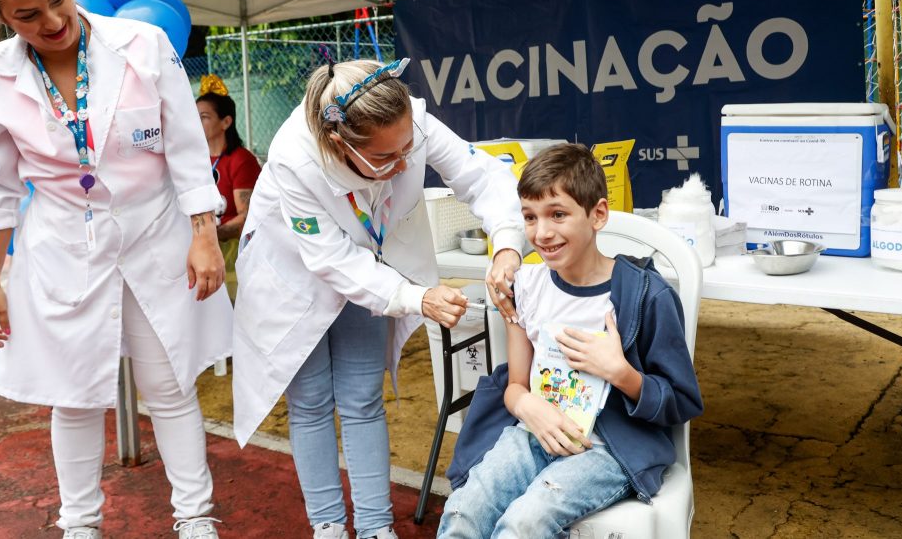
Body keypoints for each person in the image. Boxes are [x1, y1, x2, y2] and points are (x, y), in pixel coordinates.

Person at [0, 0, 229, 539]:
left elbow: (186, 147)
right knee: (73, 394)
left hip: (155, 239)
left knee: (168, 385)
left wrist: (203, 234)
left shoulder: (143, 43)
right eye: (27, 15)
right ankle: (80, 524)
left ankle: (195, 518)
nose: (53, 20)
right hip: (63, 250)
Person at [231, 57, 526, 539]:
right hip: (291, 276)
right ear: (337, 142)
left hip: (369, 265)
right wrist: (416, 297)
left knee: (363, 395)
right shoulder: (294, 156)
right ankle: (327, 525)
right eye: (388, 158)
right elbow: (329, 259)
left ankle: (374, 527)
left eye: (409, 147)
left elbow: (481, 177)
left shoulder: (409, 116)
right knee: (310, 400)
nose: (406, 163)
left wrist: (508, 242)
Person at [437, 143, 703, 538]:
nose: (542, 233)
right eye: (530, 217)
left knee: (526, 522)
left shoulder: (647, 295)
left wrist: (620, 372)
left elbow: (681, 402)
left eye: (557, 214)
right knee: (463, 513)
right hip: (533, 432)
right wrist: (528, 405)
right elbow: (515, 385)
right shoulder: (526, 288)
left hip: (607, 448)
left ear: (597, 214)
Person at [195, 74, 261, 298]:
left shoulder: (241, 160)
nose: (196, 122)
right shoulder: (192, 160)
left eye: (203, 117)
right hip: (199, 249)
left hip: (233, 254)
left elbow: (247, 216)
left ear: (226, 122)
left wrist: (209, 235)